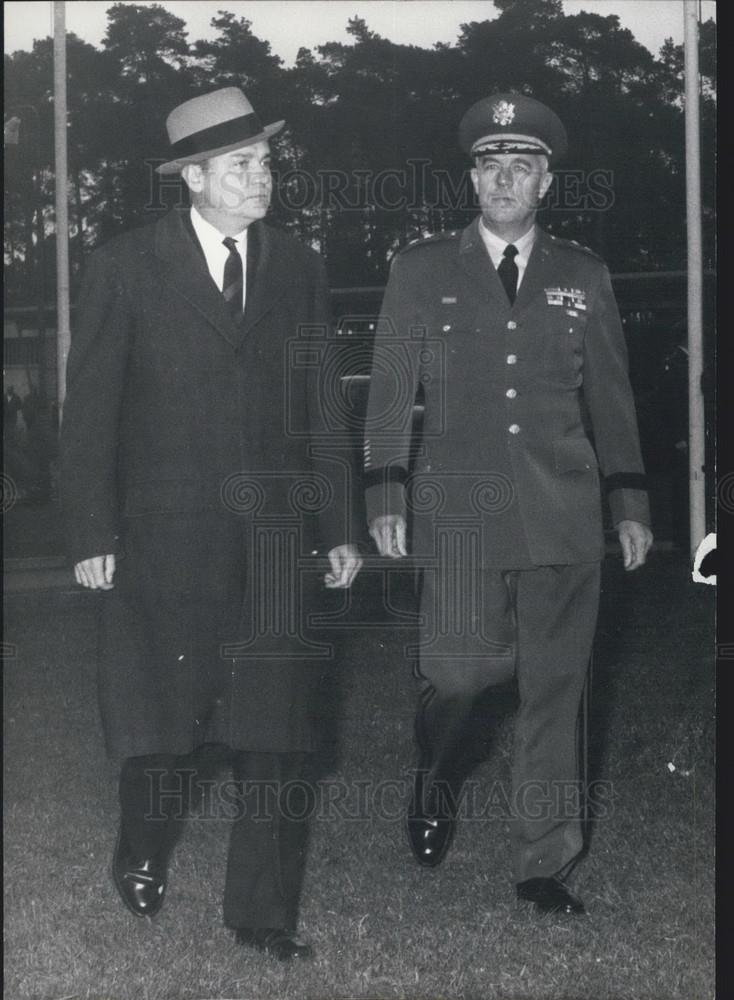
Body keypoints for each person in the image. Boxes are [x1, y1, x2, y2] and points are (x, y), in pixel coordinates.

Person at [60, 87, 362, 959]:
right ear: (192, 177)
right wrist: (91, 535)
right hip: (164, 538)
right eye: (240, 164)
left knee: (276, 733)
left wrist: (340, 523)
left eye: (265, 161)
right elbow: (91, 415)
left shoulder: (298, 265)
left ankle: (262, 918)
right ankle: (143, 847)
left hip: (274, 538)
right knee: (167, 735)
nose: (260, 176)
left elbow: (320, 406)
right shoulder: (124, 265)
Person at [363, 93, 652, 916]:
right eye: (489, 165)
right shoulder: (421, 270)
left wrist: (629, 501)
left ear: (545, 181)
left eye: (519, 166)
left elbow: (614, 399)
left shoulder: (583, 275)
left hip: (562, 513)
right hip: (455, 510)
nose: (502, 179)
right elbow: (390, 390)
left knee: (557, 687)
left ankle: (543, 862)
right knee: (462, 671)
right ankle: (437, 772)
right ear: (472, 177)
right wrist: (384, 487)